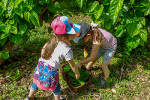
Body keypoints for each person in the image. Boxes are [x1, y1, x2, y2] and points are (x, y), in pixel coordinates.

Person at [25, 16, 81, 100]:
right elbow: (72, 65)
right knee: (56, 87)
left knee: (36, 82)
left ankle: (30, 96)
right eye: (73, 33)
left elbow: (43, 51)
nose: (75, 34)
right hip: (51, 72)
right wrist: (77, 73)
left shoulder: (51, 39)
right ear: (64, 38)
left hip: (40, 66)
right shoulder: (67, 49)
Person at [73, 22, 117, 88]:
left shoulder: (96, 40)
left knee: (104, 65)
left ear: (88, 35)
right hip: (102, 45)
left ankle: (106, 79)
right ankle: (87, 68)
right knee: (96, 56)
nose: (82, 41)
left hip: (110, 47)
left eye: (82, 39)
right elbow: (93, 57)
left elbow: (91, 57)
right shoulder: (91, 31)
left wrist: (80, 63)